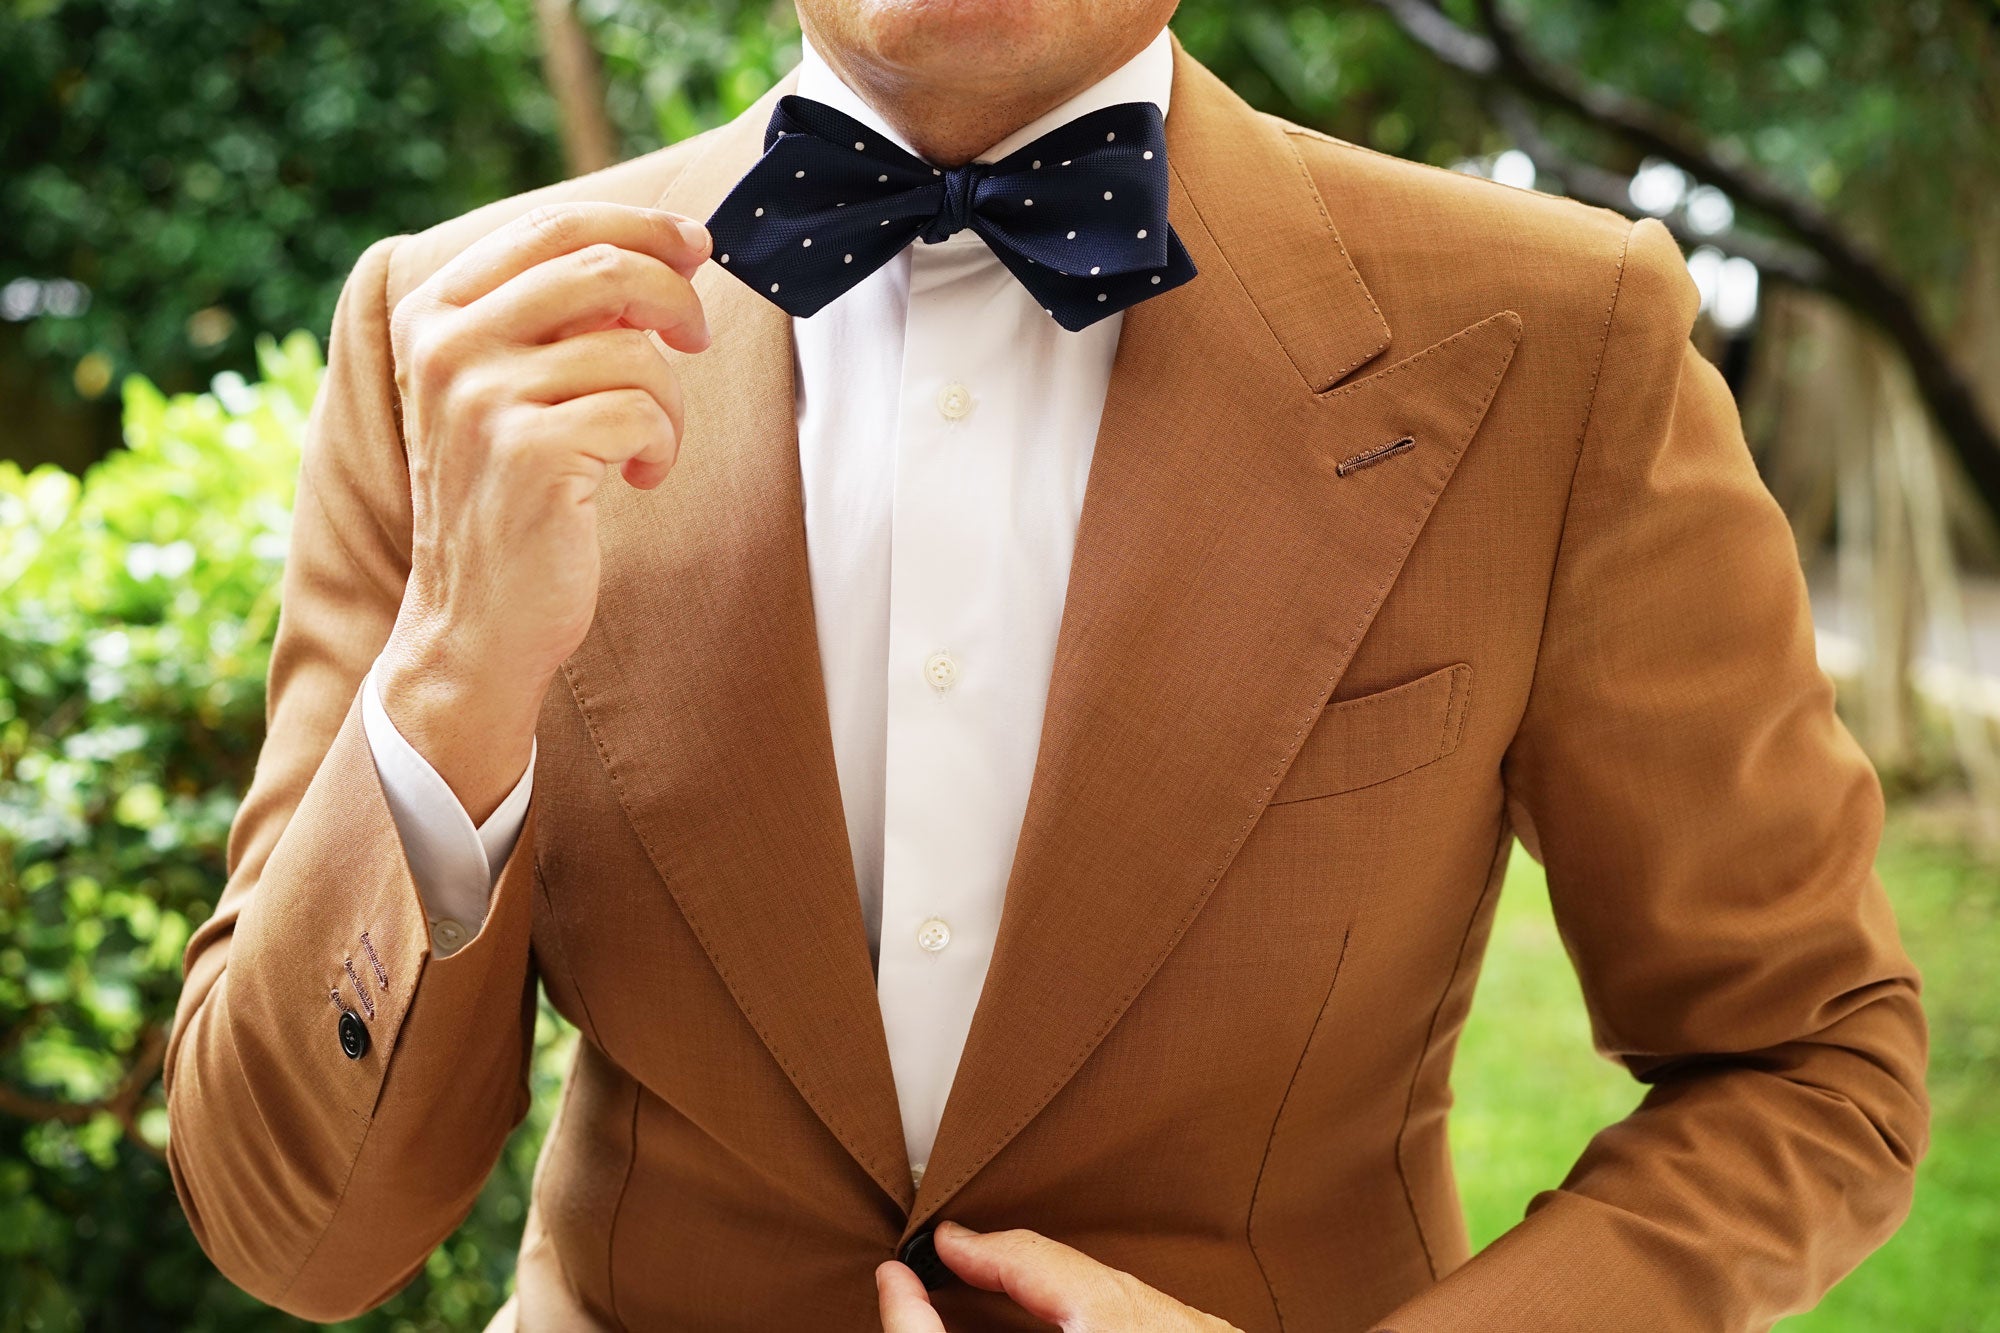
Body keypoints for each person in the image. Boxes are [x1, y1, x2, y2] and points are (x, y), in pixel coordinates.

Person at [161, 0, 1930, 1328]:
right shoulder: (451, 334)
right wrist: (455, 672)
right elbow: (294, 1231)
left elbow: (1806, 1062)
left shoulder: (1558, 340)